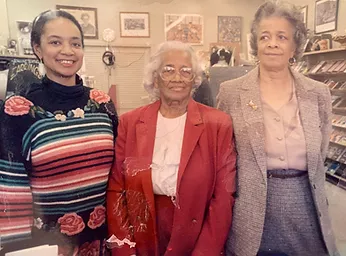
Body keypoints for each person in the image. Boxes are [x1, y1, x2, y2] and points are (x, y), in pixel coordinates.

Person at [217, 2, 339, 256]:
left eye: (281, 37)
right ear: (255, 44)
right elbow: (224, 156)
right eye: (265, 37)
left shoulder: (318, 94)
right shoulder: (230, 92)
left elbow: (321, 150)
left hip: (306, 207)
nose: (273, 43)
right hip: (251, 211)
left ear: (295, 46)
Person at [0, 10, 118, 255]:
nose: (68, 50)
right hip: (48, 244)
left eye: (75, 43)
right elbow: (11, 193)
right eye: (55, 42)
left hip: (103, 240)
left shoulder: (102, 103)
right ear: (37, 49)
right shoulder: (18, 111)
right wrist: (19, 249)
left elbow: (118, 175)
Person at [107, 41, 236, 256]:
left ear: (194, 79)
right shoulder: (130, 122)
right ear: (155, 79)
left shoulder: (218, 124)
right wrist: (124, 249)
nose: (177, 78)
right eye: (168, 70)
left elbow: (223, 197)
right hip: (143, 233)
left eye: (185, 71)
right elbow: (116, 191)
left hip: (195, 235)